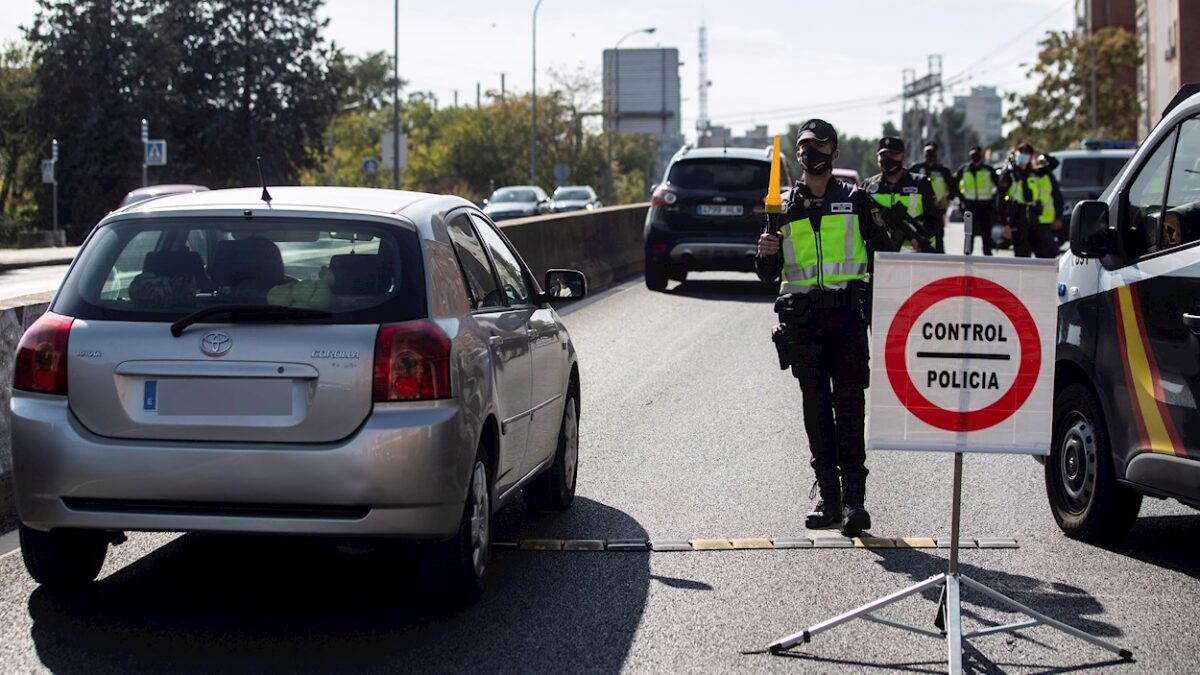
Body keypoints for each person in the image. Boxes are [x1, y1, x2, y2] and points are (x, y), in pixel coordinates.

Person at [756, 119, 905, 536]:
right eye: (805, 146)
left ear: (834, 153)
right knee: (816, 410)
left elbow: (886, 254)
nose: (811, 152)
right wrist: (764, 252)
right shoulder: (782, 206)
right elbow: (768, 273)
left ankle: (856, 502)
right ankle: (829, 499)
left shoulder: (856, 201)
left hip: (846, 319)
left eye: (820, 145)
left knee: (850, 407)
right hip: (804, 323)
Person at [862, 137, 941, 253]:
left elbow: (935, 220)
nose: (887, 159)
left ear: (903, 156)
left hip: (912, 256)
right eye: (883, 155)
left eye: (893, 154)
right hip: (877, 255)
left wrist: (922, 238)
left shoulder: (920, 183)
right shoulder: (868, 186)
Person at [997, 142, 1055, 258]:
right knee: (1021, 255)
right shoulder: (1010, 174)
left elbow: (1054, 163)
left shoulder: (1034, 172)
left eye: (1027, 153)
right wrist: (1005, 224)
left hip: (1034, 217)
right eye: (1021, 153)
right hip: (1018, 216)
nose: (1024, 155)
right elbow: (1000, 200)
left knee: (1043, 254)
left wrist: (1039, 153)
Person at [954, 145, 999, 255]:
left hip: (985, 206)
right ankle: (967, 256)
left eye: (977, 154)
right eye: (973, 155)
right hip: (970, 206)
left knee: (986, 234)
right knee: (969, 234)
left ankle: (987, 257)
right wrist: (961, 198)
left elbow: (999, 186)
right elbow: (953, 184)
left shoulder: (988, 169)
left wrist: (993, 200)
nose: (975, 157)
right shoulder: (964, 169)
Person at [1034, 152, 1065, 251]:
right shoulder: (1026, 174)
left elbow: (1058, 198)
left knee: (1048, 251)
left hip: (1046, 220)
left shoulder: (1047, 174)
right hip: (1029, 220)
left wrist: (1058, 217)